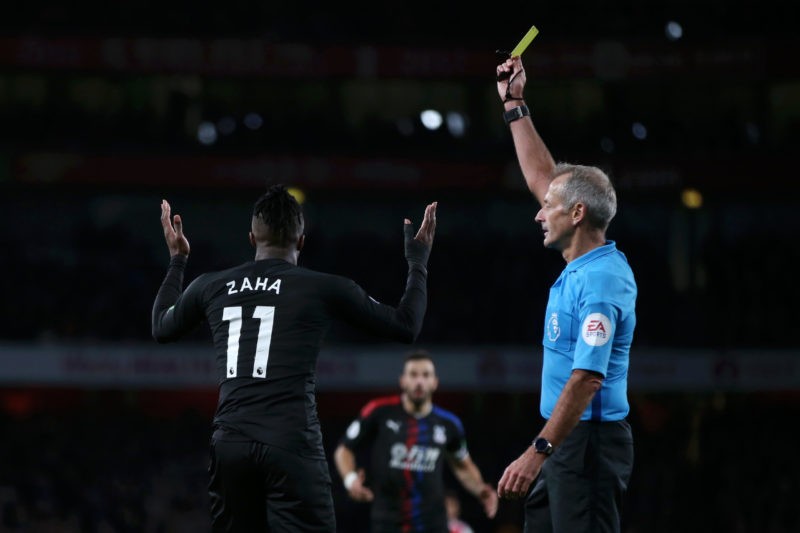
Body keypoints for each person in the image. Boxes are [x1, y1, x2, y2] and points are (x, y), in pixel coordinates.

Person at [151, 184, 437, 532]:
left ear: (252, 239)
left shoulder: (211, 285)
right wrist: (417, 261)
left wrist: (178, 261)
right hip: (291, 443)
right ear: (302, 241)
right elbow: (406, 326)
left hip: (231, 445)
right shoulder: (324, 287)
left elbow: (161, 326)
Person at [494, 55, 637, 533]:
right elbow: (544, 180)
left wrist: (537, 452)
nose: (538, 212)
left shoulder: (601, 282)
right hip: (563, 439)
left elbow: (586, 380)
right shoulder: (584, 262)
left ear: (576, 215)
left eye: (548, 208)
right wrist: (515, 106)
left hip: (586, 444)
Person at [333, 350, 498, 533]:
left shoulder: (449, 424)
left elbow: (462, 466)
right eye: (413, 374)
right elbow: (344, 449)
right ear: (402, 380)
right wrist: (350, 479)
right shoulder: (378, 412)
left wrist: (480, 489)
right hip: (387, 522)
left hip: (432, 523)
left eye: (426, 375)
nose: (419, 381)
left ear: (435, 382)